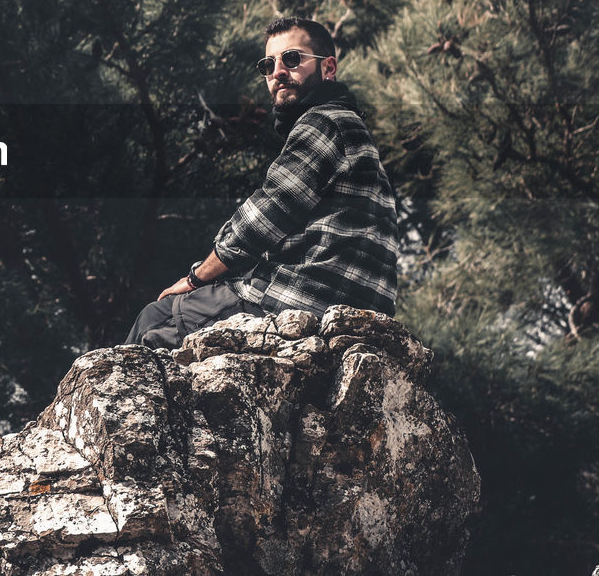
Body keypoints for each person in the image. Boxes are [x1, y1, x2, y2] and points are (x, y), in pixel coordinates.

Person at [125, 17, 400, 348]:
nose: (279, 72)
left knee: (156, 317)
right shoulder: (349, 128)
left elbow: (265, 216)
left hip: (304, 295)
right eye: (269, 65)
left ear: (328, 68)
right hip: (351, 302)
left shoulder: (325, 121)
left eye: (293, 58)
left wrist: (196, 277)